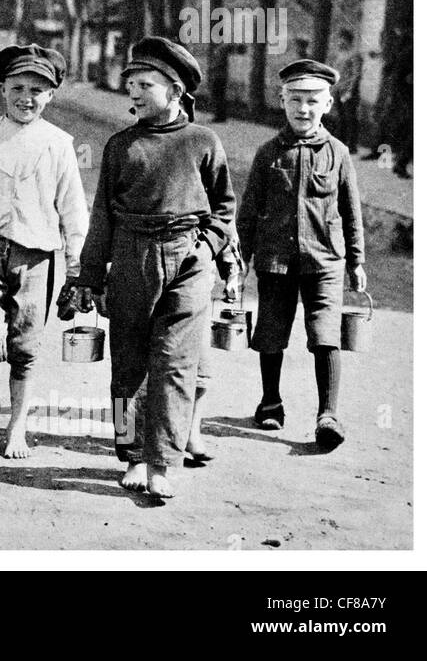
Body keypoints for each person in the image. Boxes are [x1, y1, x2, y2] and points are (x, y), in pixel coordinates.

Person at [66, 37, 237, 499]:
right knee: (128, 365)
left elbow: (223, 206)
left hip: (188, 259)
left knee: (175, 363)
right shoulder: (121, 145)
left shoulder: (203, 141)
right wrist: (89, 276)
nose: (135, 93)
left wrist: (206, 247)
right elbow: (101, 214)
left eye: (146, 84)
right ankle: (132, 454)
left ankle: (162, 462)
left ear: (176, 91)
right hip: (130, 256)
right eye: (131, 85)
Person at [0, 44, 89, 458]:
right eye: (18, 87)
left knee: (25, 347)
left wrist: (77, 267)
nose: (27, 97)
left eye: (38, 90)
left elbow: (73, 211)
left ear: (52, 95)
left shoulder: (59, 143)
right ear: (2, 89)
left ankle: (18, 424)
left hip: (36, 259)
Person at [237, 59, 366, 450]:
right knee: (271, 331)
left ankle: (328, 414)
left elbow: (351, 210)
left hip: (325, 260)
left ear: (328, 104)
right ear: (282, 101)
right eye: (295, 99)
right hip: (275, 260)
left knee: (326, 335)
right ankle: (270, 401)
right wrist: (238, 261)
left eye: (312, 100)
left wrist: (357, 261)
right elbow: (248, 211)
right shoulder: (267, 154)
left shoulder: (339, 153)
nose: (303, 109)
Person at [331, 29, 362, 153]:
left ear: (348, 40)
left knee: (350, 117)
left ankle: (352, 145)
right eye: (339, 39)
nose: (340, 42)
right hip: (339, 89)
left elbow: (356, 74)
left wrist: (350, 90)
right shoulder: (339, 54)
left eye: (343, 39)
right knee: (341, 117)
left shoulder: (354, 55)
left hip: (348, 91)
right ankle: (341, 142)